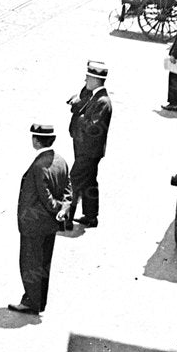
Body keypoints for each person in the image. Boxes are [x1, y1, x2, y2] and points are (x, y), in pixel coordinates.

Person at [10, 123, 73, 317]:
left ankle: (31, 301)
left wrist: (56, 210)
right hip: (50, 226)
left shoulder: (39, 166)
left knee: (30, 263)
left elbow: (46, 199)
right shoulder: (61, 161)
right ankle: (39, 301)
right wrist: (63, 209)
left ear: (36, 140)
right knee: (44, 263)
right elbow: (68, 190)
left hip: (34, 224)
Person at [67, 61, 112, 228]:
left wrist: (80, 120)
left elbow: (93, 127)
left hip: (89, 149)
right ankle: (91, 216)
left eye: (88, 78)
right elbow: (80, 106)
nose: (85, 80)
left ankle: (66, 219)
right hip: (86, 147)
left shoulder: (102, 102)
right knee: (89, 181)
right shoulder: (92, 95)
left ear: (95, 79)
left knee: (75, 179)